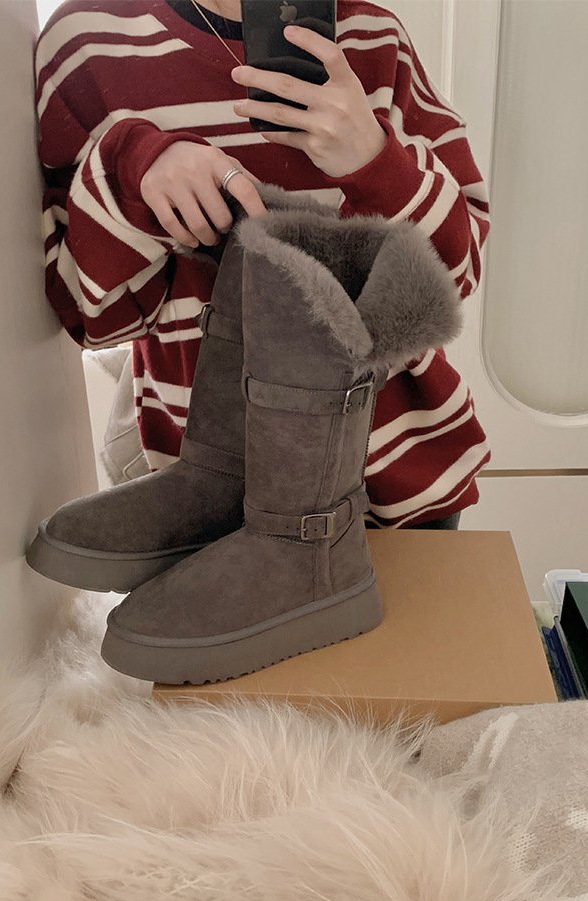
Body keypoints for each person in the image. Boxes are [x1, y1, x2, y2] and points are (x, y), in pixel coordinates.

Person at [34, 0, 491, 532]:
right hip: (214, 498)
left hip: (401, 483)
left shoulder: (374, 35)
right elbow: (93, 319)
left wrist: (375, 160)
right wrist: (133, 167)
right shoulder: (89, 43)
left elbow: (458, 275)